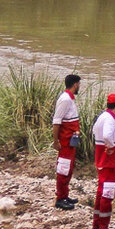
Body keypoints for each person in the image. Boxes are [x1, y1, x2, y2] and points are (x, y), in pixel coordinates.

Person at [91, 93, 115, 229]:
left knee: (101, 191)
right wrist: (110, 146)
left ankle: (96, 224)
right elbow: (106, 135)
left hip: (102, 159)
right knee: (108, 192)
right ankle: (103, 227)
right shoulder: (110, 120)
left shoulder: (102, 116)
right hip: (109, 161)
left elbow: (95, 132)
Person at [51, 74, 81, 211]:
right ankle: (60, 199)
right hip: (65, 141)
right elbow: (56, 121)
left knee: (68, 168)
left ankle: (65, 194)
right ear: (75, 84)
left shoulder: (70, 99)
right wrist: (55, 141)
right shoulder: (65, 99)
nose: (79, 86)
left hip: (70, 141)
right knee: (63, 168)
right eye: (79, 84)